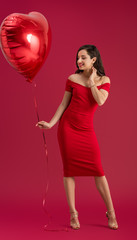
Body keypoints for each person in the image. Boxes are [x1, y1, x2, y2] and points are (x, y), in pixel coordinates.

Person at [36, 44, 118, 230]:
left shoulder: (104, 80)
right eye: (77, 58)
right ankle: (73, 214)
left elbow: (100, 101)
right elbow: (63, 104)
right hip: (67, 129)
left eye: (83, 58)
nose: (79, 61)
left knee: (98, 171)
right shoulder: (72, 78)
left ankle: (111, 212)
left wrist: (90, 83)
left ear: (93, 60)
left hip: (86, 130)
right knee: (69, 171)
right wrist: (50, 123)